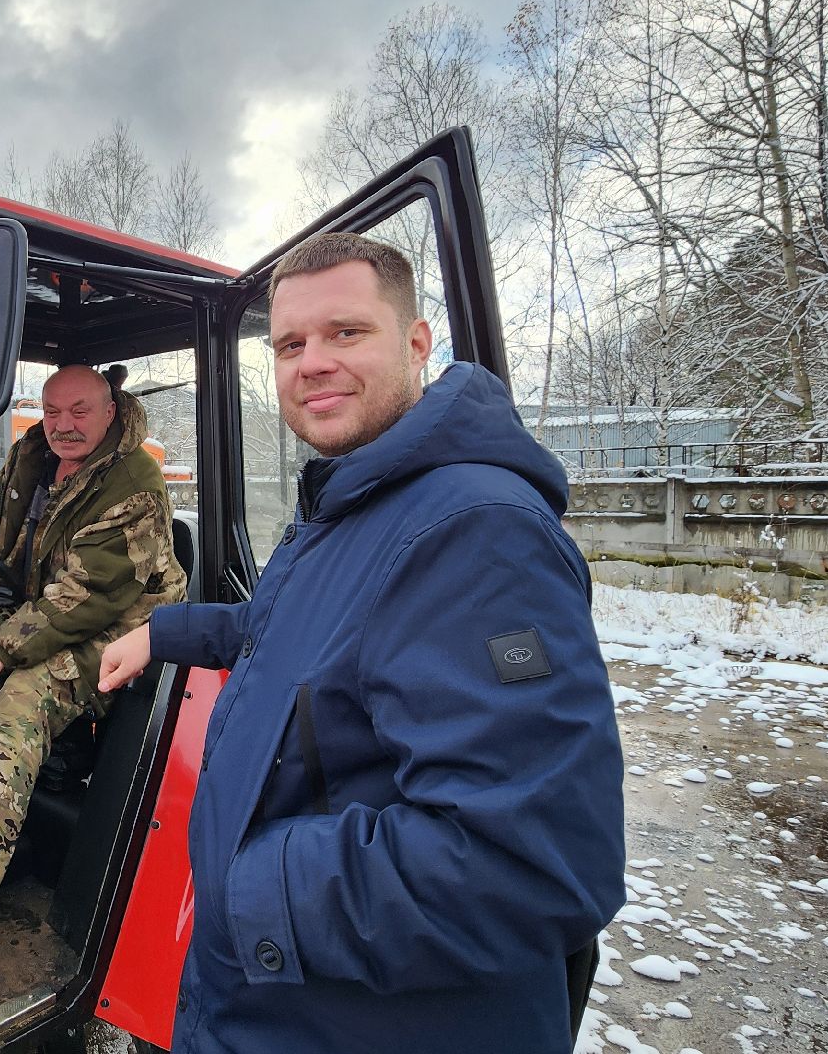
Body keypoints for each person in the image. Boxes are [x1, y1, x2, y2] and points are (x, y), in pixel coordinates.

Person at [99, 234, 624, 1052]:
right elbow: (289, 635)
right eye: (290, 344)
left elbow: (530, 864)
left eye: (346, 333)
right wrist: (163, 630)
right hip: (277, 1002)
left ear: (416, 344)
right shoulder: (358, 503)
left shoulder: (472, 533)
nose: (311, 363)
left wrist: (248, 890)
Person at [0, 364, 186, 961]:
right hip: (43, 609)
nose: (64, 425)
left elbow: (88, 596)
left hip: (123, 628)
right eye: (53, 412)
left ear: (111, 410)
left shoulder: (135, 482)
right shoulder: (31, 460)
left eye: (80, 411)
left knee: (23, 695)